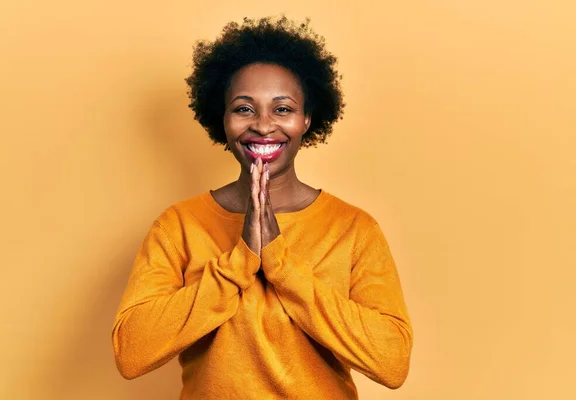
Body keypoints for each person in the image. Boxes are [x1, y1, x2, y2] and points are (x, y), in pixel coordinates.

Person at [112, 16, 413, 399]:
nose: (264, 125)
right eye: (244, 109)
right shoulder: (179, 226)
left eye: (283, 109)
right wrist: (240, 261)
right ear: (222, 120)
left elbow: (391, 362)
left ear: (307, 119)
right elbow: (131, 353)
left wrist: (279, 262)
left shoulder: (353, 228)